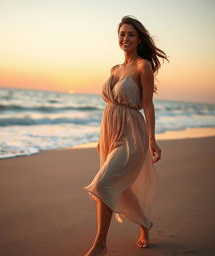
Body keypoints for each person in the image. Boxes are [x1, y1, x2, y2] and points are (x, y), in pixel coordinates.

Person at [83, 15, 169, 256]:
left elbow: (148, 105)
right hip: (110, 129)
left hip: (132, 131)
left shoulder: (144, 66)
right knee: (119, 186)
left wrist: (152, 139)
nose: (125, 38)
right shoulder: (115, 69)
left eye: (131, 34)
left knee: (103, 183)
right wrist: (102, 140)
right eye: (122, 34)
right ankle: (145, 223)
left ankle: (101, 245)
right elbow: (111, 105)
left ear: (139, 38)